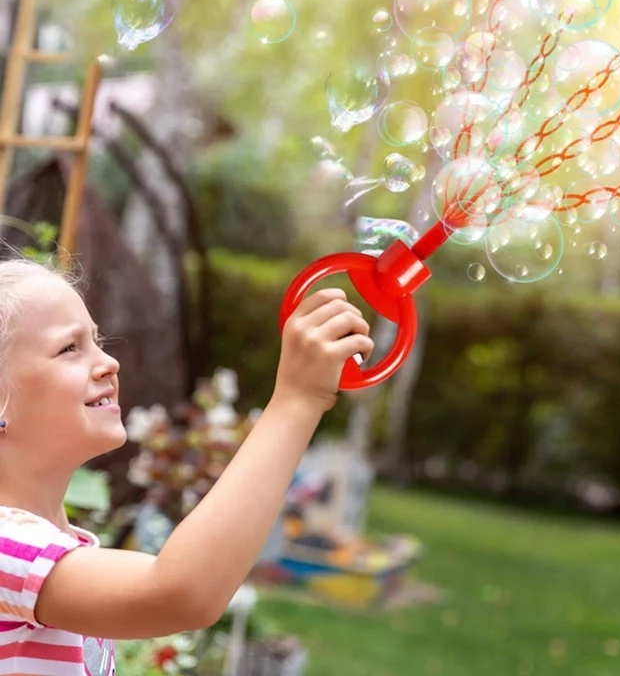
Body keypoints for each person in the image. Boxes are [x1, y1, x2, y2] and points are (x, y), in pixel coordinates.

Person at [0, 256, 373, 676]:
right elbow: (181, 592)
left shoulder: (55, 544)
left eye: (97, 340)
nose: (109, 362)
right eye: (69, 348)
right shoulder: (7, 546)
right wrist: (296, 400)